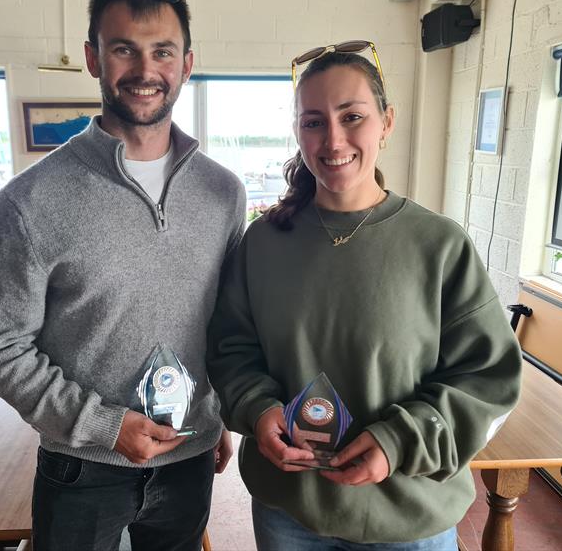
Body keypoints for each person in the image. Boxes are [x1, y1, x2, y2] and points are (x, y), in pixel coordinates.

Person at [0, 0, 245, 551]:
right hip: (81, 467)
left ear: (186, 64)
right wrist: (106, 427)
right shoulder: (30, 199)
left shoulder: (224, 192)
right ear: (95, 58)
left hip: (188, 456)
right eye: (124, 49)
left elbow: (223, 323)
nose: (146, 71)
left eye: (162, 51)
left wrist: (215, 413)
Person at [207, 49, 522, 550]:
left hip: (408, 514)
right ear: (298, 131)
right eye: (314, 122)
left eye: (352, 117)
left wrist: (397, 441)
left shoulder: (438, 245)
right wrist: (258, 409)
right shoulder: (263, 243)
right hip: (290, 513)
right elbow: (231, 350)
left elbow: (486, 378)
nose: (333, 140)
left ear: (386, 122)